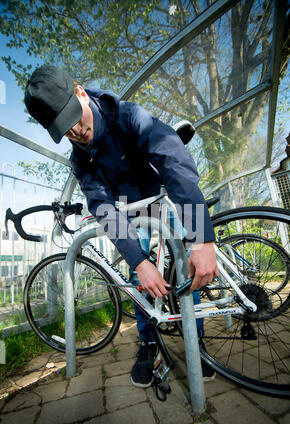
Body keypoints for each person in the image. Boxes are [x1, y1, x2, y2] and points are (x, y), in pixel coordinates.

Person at [24, 65, 219, 388]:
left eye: (74, 116)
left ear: (81, 93)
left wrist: (201, 237)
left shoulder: (129, 116)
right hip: (129, 209)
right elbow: (102, 207)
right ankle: (148, 344)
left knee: (184, 269)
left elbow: (172, 157)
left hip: (160, 196)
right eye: (63, 127)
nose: (75, 130)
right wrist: (140, 263)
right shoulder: (80, 161)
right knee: (136, 276)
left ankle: (195, 342)